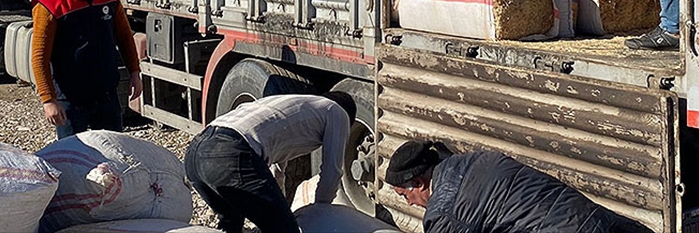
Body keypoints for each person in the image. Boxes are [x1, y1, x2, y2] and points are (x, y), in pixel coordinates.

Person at [184, 92, 358, 233]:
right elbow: (332, 171)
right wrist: (320, 212)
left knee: (232, 225)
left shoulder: (296, 107)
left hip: (195, 156)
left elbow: (276, 173)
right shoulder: (337, 112)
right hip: (229, 152)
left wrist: (279, 209)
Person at [30, 0, 143, 138]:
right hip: (71, 99)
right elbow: (39, 57)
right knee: (72, 158)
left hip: (106, 94)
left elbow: (124, 36)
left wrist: (134, 71)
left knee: (113, 153)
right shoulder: (49, 4)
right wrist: (48, 100)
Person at [386, 139, 616, 233]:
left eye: (405, 196)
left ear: (418, 183)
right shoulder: (476, 159)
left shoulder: (444, 213)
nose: (410, 204)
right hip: (596, 218)